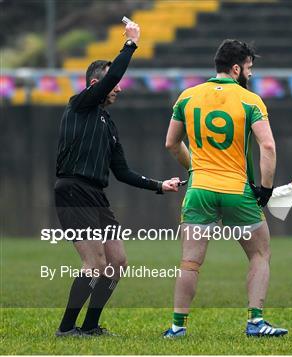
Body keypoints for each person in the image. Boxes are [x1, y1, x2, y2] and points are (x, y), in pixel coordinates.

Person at [54, 21, 180, 337]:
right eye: (113, 84)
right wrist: (130, 44)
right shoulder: (80, 104)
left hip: (97, 195)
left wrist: (159, 186)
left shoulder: (108, 125)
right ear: (96, 83)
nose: (119, 88)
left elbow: (122, 172)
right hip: (74, 190)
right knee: (95, 264)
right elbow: (113, 75)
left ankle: (91, 325)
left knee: (117, 263)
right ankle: (67, 329)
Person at [163, 39, 287, 338]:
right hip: (237, 190)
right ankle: (255, 322)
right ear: (236, 68)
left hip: (199, 189)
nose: (251, 75)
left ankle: (177, 328)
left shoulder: (188, 96)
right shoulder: (250, 100)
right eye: (249, 68)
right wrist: (266, 190)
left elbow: (171, 143)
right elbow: (267, 146)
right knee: (260, 254)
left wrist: (194, 168)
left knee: (190, 262)